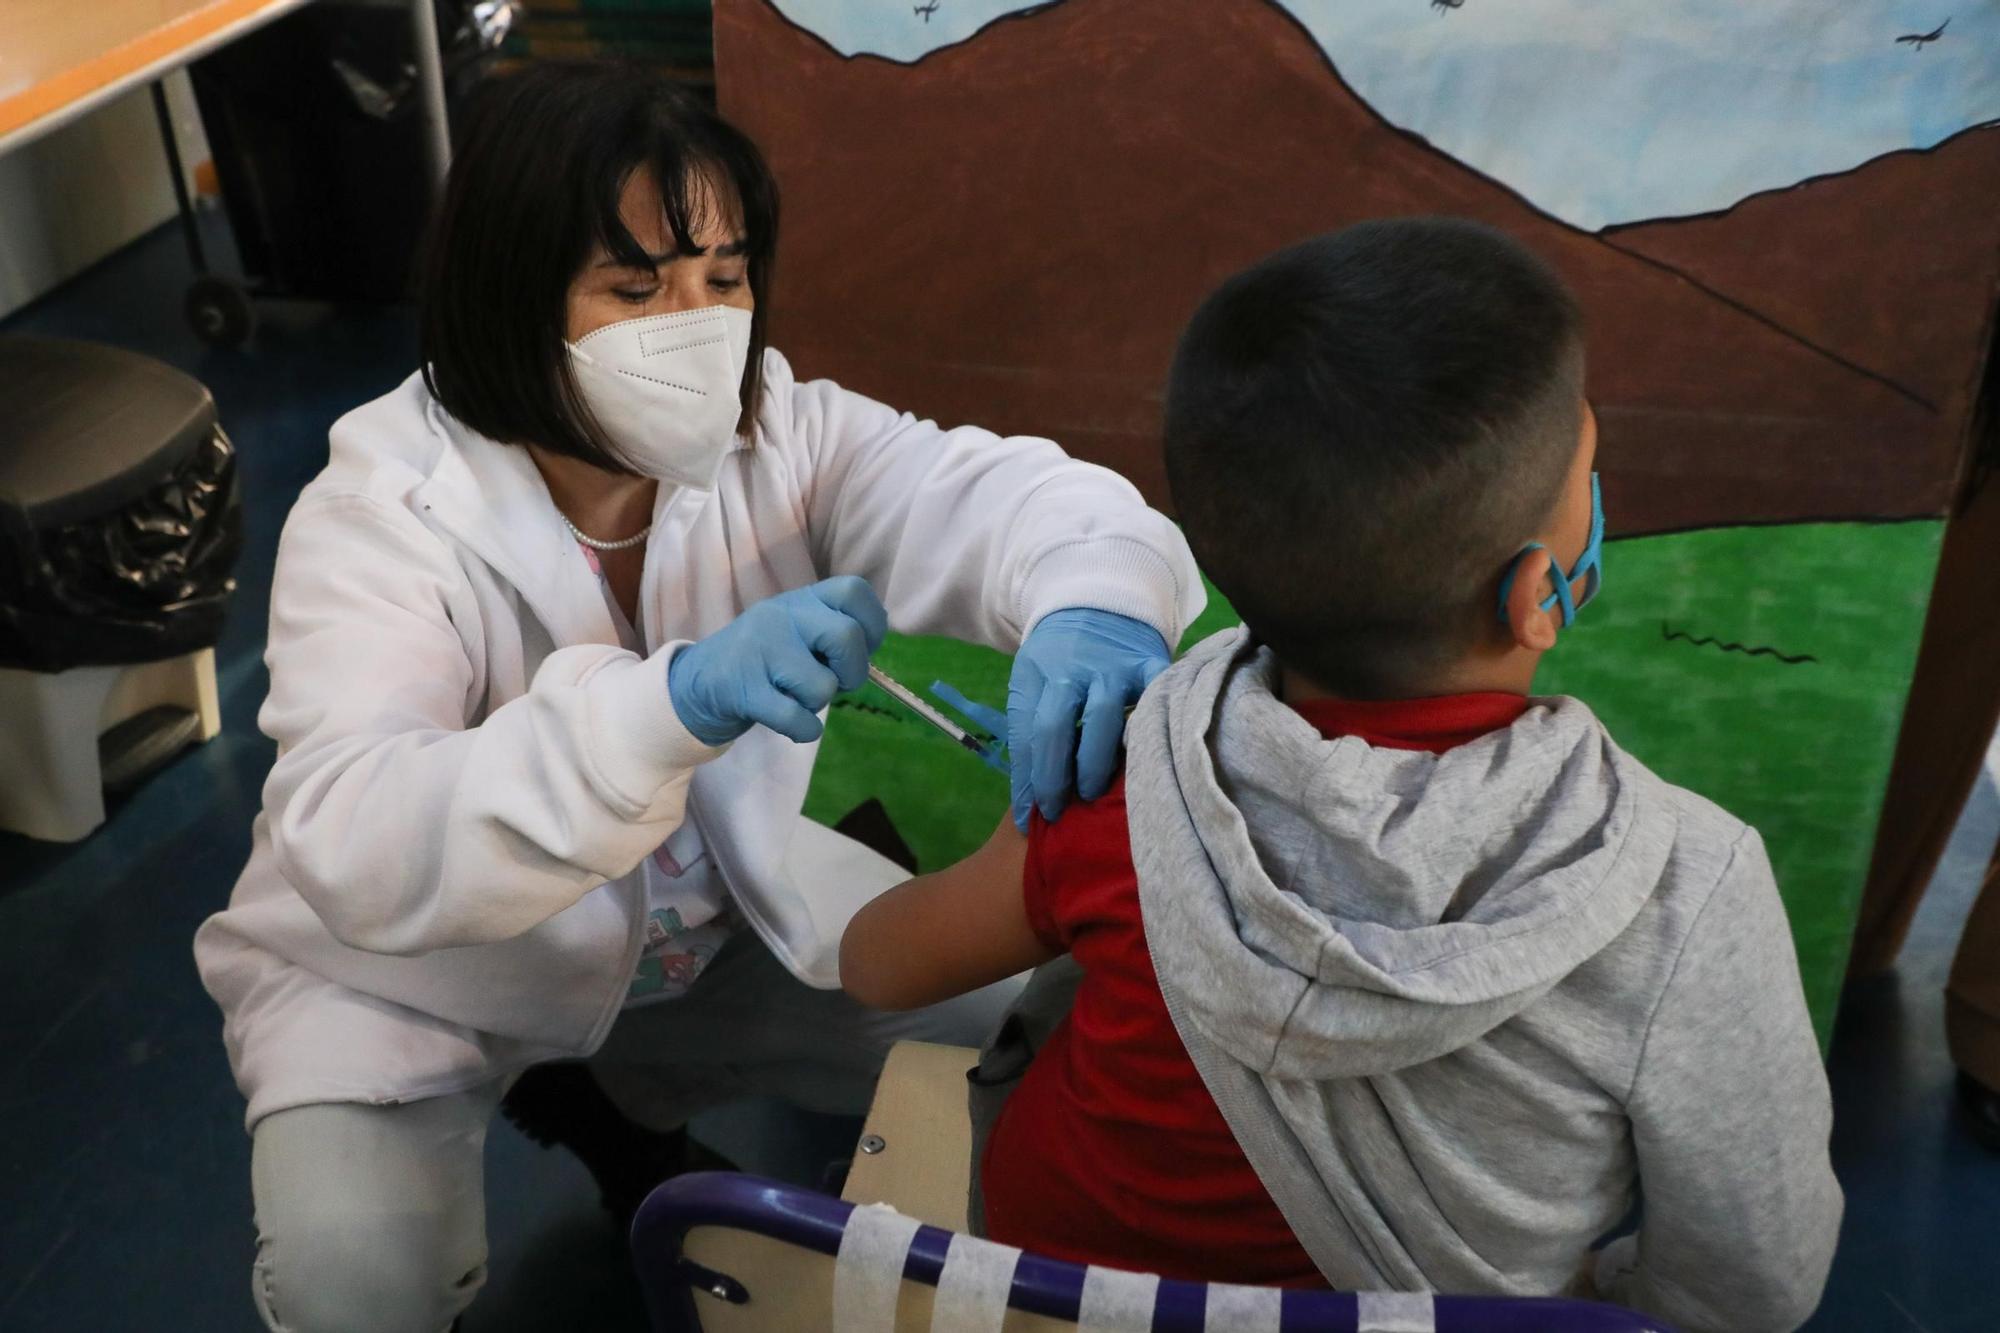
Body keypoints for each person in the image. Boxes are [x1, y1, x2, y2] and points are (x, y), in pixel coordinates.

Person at [193, 62, 1203, 1333]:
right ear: (511, 294)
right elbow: (356, 835)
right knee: (356, 1284)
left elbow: (990, 492)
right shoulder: (377, 515)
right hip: (412, 978)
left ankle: (611, 1094)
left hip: (700, 941)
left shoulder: (777, 436)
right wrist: (669, 704)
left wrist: (1094, 594)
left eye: (723, 279)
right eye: (637, 286)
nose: (699, 323)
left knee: (1044, 1019)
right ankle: (578, 1090)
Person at [841, 218, 1843, 1331]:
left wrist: (1030, 832)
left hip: (1054, 1307)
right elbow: (1755, 1278)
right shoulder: (1682, 889)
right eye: (1583, 476)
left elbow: (878, 965)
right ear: (1533, 598)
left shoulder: (1133, 783)